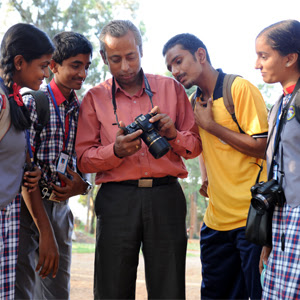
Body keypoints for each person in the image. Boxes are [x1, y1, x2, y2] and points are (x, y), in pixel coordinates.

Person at [75, 20, 201, 299]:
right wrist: (115, 151)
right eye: (115, 59)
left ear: (141, 51)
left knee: (169, 288)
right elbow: (83, 159)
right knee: (112, 288)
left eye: (131, 56)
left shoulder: (171, 89)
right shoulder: (94, 98)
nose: (125, 67)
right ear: (105, 58)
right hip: (116, 200)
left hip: (166, 197)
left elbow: (194, 147)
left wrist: (173, 135)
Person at [163, 33, 269, 299]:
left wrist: (212, 126)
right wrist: (206, 177)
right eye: (170, 67)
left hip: (250, 220)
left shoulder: (239, 89)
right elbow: (202, 146)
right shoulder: (194, 102)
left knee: (256, 294)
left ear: (200, 55)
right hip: (215, 222)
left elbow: (262, 146)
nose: (175, 71)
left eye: (178, 61)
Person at [15, 31, 93, 300]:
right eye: (75, 65)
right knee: (23, 289)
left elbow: (84, 163)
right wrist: (44, 232)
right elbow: (25, 172)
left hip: (61, 210)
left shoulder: (82, 109)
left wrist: (82, 187)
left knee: (57, 293)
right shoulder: (34, 102)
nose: (82, 73)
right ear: (53, 65)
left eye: (86, 66)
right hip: (29, 211)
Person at [0, 23, 54, 300]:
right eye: (43, 65)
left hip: (8, 220)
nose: (46, 74)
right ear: (19, 62)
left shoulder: (18, 102)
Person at [255, 19, 300, 300]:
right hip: (281, 217)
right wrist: (267, 239)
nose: (257, 64)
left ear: (290, 58)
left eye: (264, 55)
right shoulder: (278, 105)